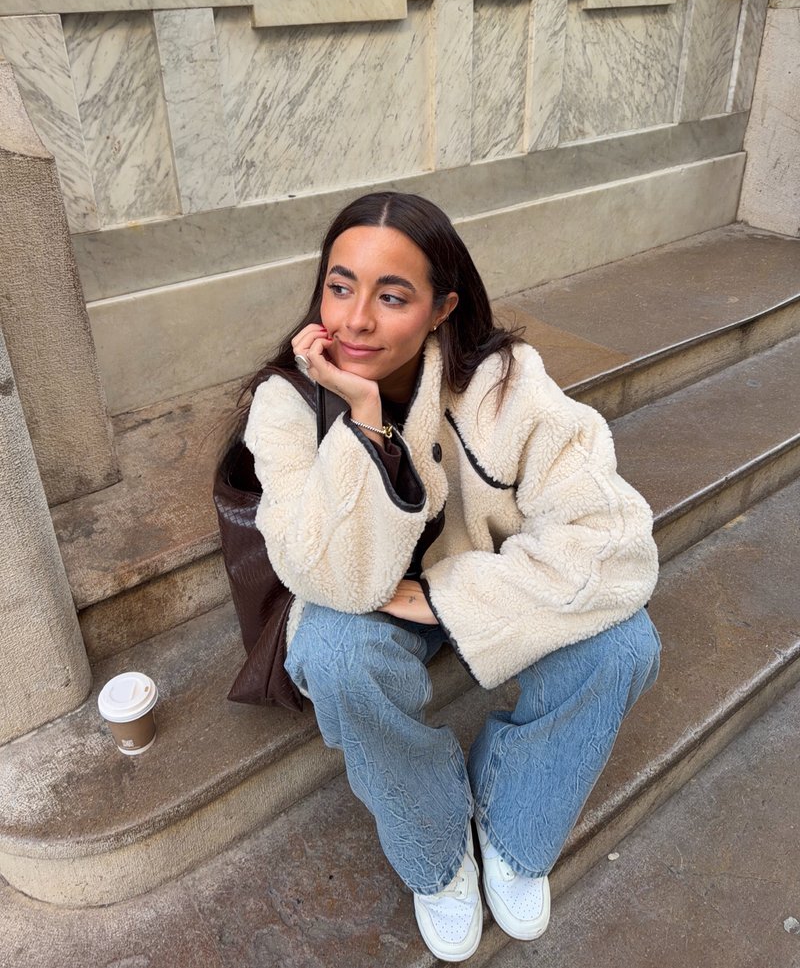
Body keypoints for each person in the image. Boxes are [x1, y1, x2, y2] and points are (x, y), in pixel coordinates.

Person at [239, 191, 660, 962]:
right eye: (340, 285)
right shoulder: (286, 404)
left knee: (625, 642)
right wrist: (363, 417)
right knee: (336, 653)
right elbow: (325, 572)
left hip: (476, 593)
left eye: (392, 294)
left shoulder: (503, 382)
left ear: (442, 307)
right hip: (358, 606)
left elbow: (617, 540)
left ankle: (514, 821)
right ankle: (435, 849)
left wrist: (446, 597)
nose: (355, 319)